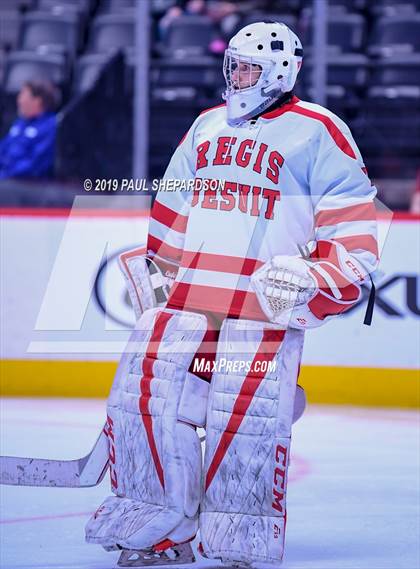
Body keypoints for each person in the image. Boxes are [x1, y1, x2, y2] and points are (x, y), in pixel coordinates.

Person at [86, 21, 379, 567]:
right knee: (149, 406)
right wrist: (159, 274)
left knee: (242, 422)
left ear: (281, 71)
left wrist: (318, 281)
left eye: (250, 67)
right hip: (189, 309)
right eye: (234, 66)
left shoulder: (319, 130)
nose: (239, 76)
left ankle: (239, 538)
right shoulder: (204, 126)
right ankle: (160, 528)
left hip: (260, 312)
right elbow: (172, 206)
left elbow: (354, 233)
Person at [0, 80, 58, 179]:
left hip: (26, 183)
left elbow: (35, 165)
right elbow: (3, 148)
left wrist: (5, 175)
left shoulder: (50, 127)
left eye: (23, 95)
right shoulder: (20, 123)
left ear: (37, 101)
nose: (19, 100)